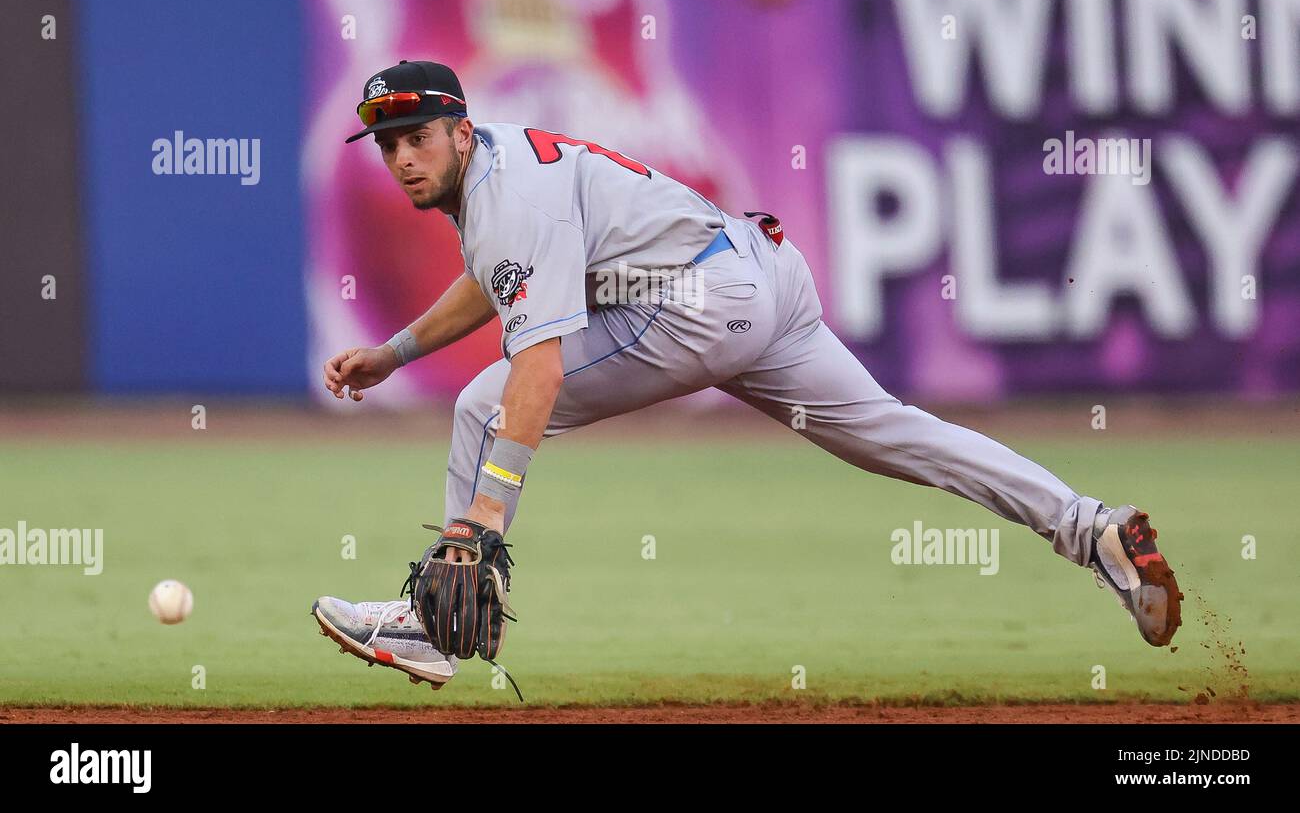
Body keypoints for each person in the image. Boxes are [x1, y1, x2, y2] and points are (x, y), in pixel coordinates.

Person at [312, 60, 1182, 689]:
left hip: (700, 300)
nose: (402, 159)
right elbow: (496, 283)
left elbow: (535, 364)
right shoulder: (495, 172)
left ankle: (431, 628)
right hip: (759, 271)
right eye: (387, 144)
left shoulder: (509, 199)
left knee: (483, 401)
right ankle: (1091, 529)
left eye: (416, 137)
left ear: (460, 130)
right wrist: (396, 352)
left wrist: (485, 515)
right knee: (898, 435)